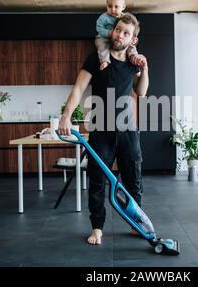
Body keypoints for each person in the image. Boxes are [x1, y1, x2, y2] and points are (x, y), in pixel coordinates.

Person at [59, 13, 149, 245]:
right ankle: (97, 228)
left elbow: (141, 92)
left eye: (126, 33)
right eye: (118, 30)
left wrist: (145, 69)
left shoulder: (133, 63)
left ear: (133, 39)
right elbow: (78, 89)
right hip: (101, 129)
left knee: (133, 178)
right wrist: (66, 117)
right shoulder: (95, 59)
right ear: (112, 31)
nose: (120, 35)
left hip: (128, 130)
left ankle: (134, 223)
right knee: (97, 180)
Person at [95, 0, 143, 70]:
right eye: (110, 6)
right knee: (101, 45)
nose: (113, 9)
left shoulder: (125, 18)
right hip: (104, 37)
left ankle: (134, 57)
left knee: (130, 45)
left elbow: (132, 28)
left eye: (116, 7)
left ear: (123, 7)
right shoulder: (103, 17)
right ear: (106, 6)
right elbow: (99, 28)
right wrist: (108, 33)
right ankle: (104, 60)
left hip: (119, 39)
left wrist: (133, 37)